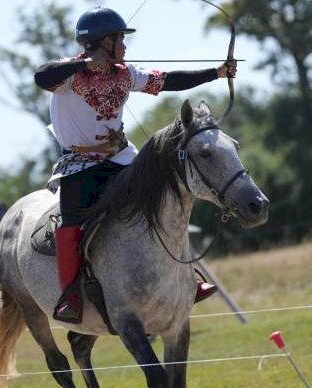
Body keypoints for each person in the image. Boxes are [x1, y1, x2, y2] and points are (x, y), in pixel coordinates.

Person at [34, 6, 237, 324]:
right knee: (71, 222)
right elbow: (41, 75)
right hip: (79, 164)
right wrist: (86, 62)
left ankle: (186, 276)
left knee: (161, 201)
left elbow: (169, 80)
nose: (125, 46)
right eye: (119, 39)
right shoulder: (68, 76)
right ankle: (70, 294)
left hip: (121, 158)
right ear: (103, 42)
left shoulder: (124, 73)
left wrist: (217, 72)